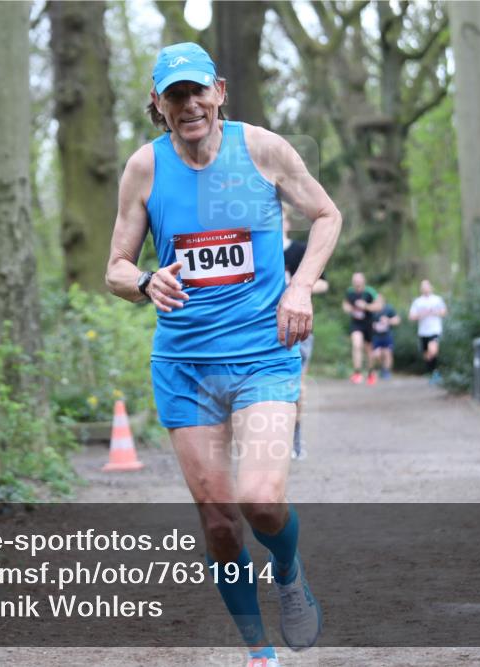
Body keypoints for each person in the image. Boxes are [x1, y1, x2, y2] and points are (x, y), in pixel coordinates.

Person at [104, 42, 340, 667]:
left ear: (220, 92)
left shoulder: (262, 149)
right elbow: (116, 268)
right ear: (157, 104)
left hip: (264, 351)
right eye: (174, 95)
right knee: (219, 525)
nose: (189, 105)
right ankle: (260, 653)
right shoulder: (145, 169)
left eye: (197, 91)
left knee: (261, 500)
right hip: (184, 364)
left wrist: (298, 286)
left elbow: (326, 215)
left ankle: (288, 573)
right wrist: (146, 281)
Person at [282, 205, 329, 461]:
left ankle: (295, 438)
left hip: (296, 325)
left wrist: (298, 285)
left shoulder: (299, 251)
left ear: (287, 222)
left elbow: (323, 282)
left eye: (280, 216)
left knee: (296, 385)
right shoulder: (253, 250)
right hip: (259, 326)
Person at [342, 272, 384, 385]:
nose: (357, 283)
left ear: (363, 281)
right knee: (356, 345)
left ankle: (371, 373)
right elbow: (345, 304)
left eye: (358, 280)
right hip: (356, 324)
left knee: (369, 349)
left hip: (369, 323)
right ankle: (357, 373)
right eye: (355, 281)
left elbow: (379, 306)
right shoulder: (350, 292)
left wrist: (366, 306)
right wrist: (348, 308)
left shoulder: (370, 292)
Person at [408, 279, 448, 384]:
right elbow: (411, 316)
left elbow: (444, 312)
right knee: (426, 354)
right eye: (423, 286)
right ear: (421, 289)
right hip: (423, 332)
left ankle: (435, 372)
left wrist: (435, 312)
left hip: (435, 330)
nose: (425, 288)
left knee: (433, 350)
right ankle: (432, 373)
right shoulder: (417, 301)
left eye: (427, 286)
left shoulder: (437, 300)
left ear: (431, 287)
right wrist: (422, 314)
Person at [370, 299, 401, 379]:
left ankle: (386, 371)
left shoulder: (388, 309)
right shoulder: (371, 311)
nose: (378, 304)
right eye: (376, 302)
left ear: (383, 302)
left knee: (387, 353)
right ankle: (382, 367)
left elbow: (397, 320)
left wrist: (388, 320)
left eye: (379, 302)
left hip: (387, 335)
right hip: (376, 336)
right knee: (377, 354)